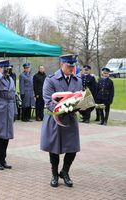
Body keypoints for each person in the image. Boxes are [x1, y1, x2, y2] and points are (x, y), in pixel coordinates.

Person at [41, 54, 83, 188]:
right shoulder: (51, 80)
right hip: (55, 119)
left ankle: (65, 172)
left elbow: (79, 98)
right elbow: (49, 101)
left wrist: (83, 106)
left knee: (73, 147)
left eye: (73, 66)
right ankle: (54, 174)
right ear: (61, 64)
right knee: (54, 148)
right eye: (68, 66)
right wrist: (66, 108)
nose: (71, 68)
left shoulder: (77, 80)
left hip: (70, 119)